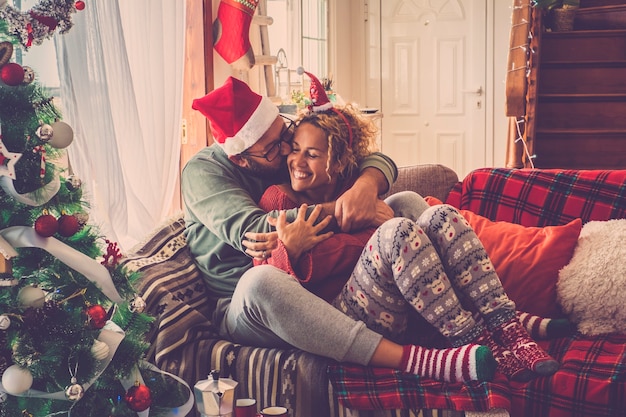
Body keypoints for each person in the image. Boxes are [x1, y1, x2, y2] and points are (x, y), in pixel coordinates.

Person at [254, 69, 570, 381]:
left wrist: (366, 214)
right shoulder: (278, 201)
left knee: (440, 215)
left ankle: (506, 325)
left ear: (337, 162)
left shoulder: (355, 188)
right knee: (398, 231)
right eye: (294, 150)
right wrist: (352, 230)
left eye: (311, 154)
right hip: (340, 315)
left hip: (395, 297)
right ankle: (471, 339)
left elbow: (382, 167)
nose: (297, 161)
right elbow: (276, 282)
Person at [183, 76, 497, 384]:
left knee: (407, 201)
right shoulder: (203, 172)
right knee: (260, 282)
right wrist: (347, 207)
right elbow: (258, 232)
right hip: (248, 306)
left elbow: (364, 156)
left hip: (320, 284)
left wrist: (366, 184)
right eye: (271, 150)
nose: (284, 153)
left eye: (284, 136)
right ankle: (417, 361)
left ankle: (485, 313)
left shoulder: (277, 149)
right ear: (239, 158)